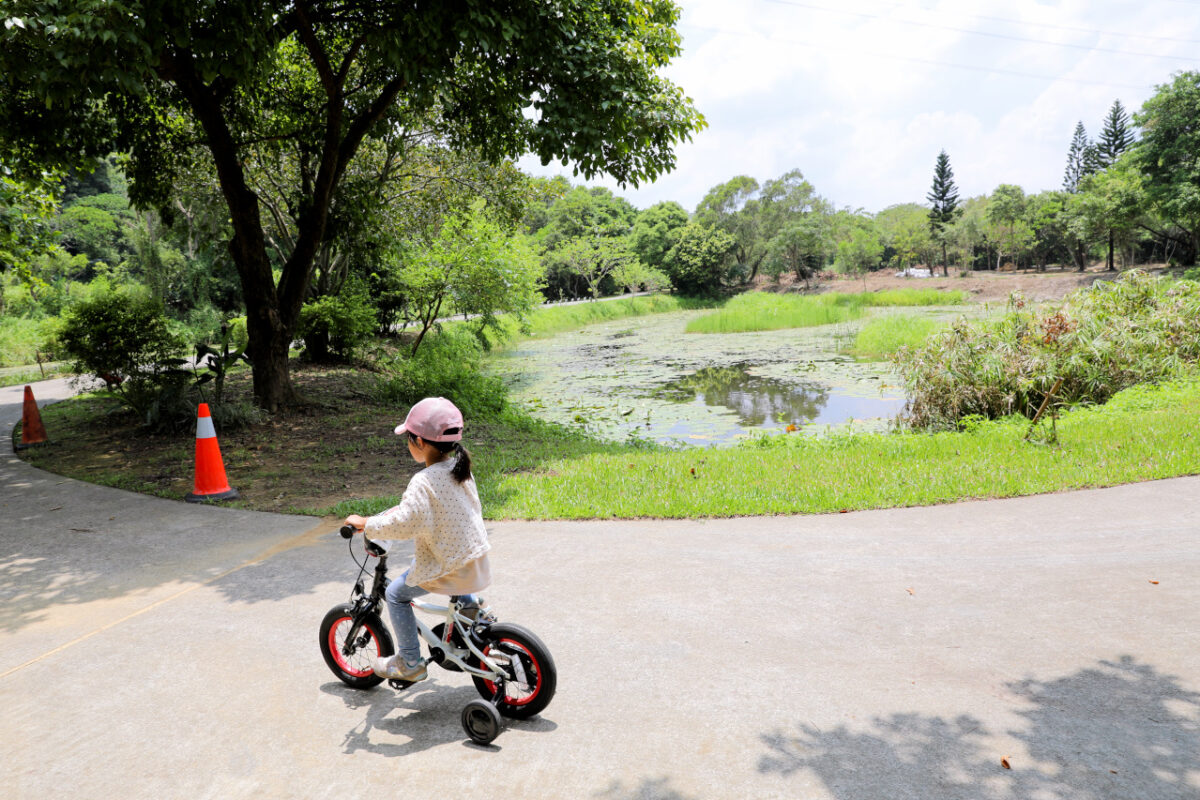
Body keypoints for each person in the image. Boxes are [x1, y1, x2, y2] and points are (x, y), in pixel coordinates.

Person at [343, 396, 493, 682]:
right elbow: (433, 510)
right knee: (455, 568)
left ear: (420, 443)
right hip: (476, 561)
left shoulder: (422, 481)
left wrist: (367, 524)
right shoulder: (460, 469)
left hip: (449, 566)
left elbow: (404, 524)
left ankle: (410, 662)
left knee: (395, 594)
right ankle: (473, 617)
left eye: (409, 439)